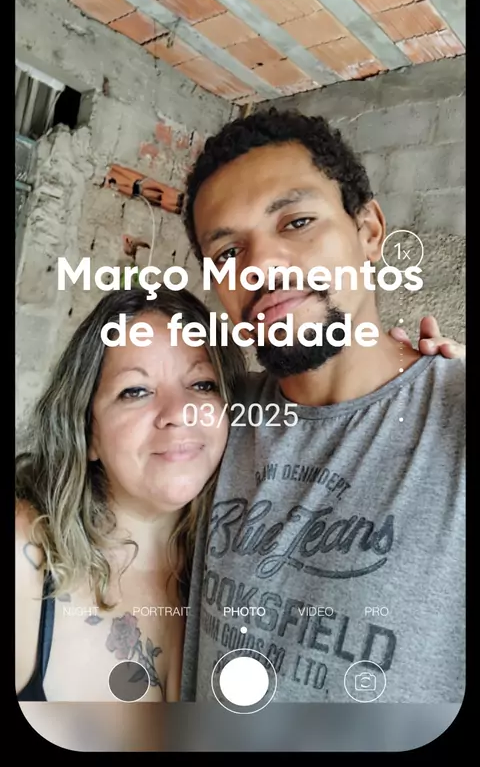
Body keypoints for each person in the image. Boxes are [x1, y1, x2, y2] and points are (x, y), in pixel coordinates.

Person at [180, 108, 466, 704]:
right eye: (228, 253)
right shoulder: (211, 422)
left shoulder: (454, 420)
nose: (261, 266)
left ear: (369, 232)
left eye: (297, 221)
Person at [15, 287, 245, 702]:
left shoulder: (243, 573)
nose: (179, 412)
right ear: (88, 433)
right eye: (135, 391)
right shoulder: (25, 551)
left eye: (202, 384)